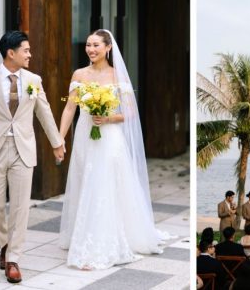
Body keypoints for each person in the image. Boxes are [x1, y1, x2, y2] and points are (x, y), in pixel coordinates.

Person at [56, 29, 173, 271]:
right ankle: (82, 231)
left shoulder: (117, 76)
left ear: (108, 48)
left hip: (109, 137)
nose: (91, 49)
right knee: (84, 181)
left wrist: (107, 118)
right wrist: (60, 139)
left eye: (96, 45)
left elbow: (130, 112)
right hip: (84, 135)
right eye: (88, 45)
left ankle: (99, 242)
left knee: (102, 184)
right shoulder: (79, 74)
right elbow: (69, 108)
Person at [0, 30, 66, 283]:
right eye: (26, 50)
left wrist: (57, 143)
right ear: (11, 53)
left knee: (21, 207)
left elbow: (45, 112)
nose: (30, 54)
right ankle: (3, 244)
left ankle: (13, 259)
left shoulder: (34, 80)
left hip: (23, 150)